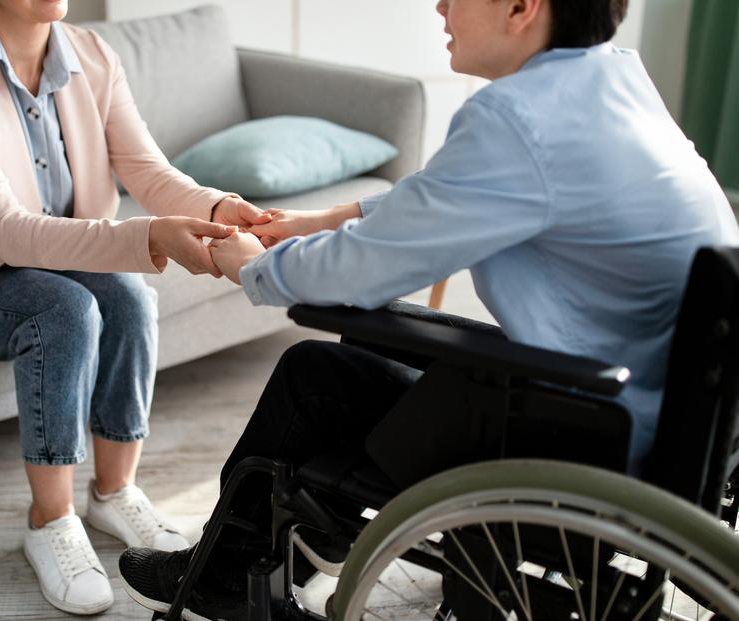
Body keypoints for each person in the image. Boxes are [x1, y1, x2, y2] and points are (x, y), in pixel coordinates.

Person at [116, 0, 739, 618]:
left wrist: (248, 265)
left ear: (521, 8)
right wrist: (325, 219)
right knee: (373, 338)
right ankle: (314, 535)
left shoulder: (517, 117)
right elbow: (454, 197)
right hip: (661, 420)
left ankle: (226, 576)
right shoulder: (611, 81)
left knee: (314, 375)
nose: (440, 6)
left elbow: (361, 269)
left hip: (591, 437)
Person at [0, 0, 270, 615]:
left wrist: (215, 207)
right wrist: (150, 236)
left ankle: (114, 492)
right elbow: (6, 230)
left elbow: (145, 170)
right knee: (64, 309)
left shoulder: (92, 55)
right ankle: (50, 520)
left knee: (128, 293)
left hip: (47, 256)